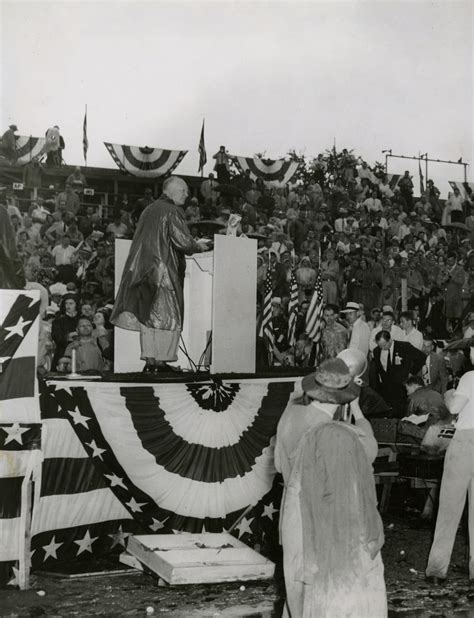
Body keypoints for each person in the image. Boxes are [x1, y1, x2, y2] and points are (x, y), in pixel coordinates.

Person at [275, 358, 386, 617]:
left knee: (296, 592)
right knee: (324, 594)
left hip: (292, 515)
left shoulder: (290, 413)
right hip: (322, 522)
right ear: (344, 397)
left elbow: (280, 465)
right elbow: (370, 451)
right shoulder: (332, 431)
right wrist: (357, 413)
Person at [111, 177, 210, 373]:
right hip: (164, 272)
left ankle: (151, 361)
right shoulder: (172, 210)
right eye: (184, 191)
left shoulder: (149, 209)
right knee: (168, 314)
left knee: (148, 316)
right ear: (173, 190)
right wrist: (199, 245)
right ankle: (162, 361)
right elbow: (183, 242)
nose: (187, 195)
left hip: (143, 271)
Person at [425, 344, 474, 585]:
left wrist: (450, 393)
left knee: (449, 508)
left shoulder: (470, 377)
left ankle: (437, 569)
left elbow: (453, 408)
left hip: (465, 442)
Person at [370, 330, 427, 417]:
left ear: (390, 340)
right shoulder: (376, 351)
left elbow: (422, 357)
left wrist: (411, 373)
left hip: (402, 388)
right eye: (380, 346)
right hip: (386, 389)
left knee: (401, 414)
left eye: (384, 345)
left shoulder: (404, 346)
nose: (382, 348)